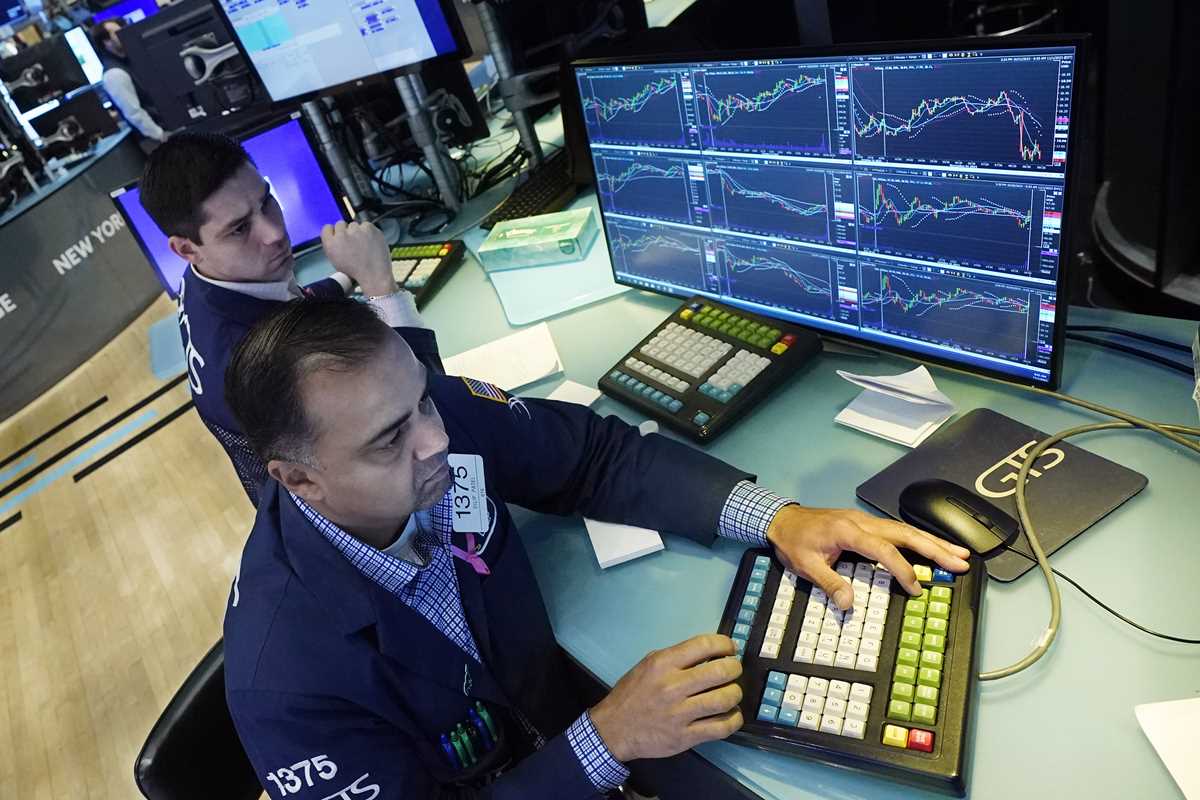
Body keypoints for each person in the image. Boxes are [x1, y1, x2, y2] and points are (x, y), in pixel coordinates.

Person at [222, 297, 971, 799]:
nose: (438, 439)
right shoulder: (284, 685)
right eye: (390, 440)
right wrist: (603, 740)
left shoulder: (429, 416)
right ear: (298, 479)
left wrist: (778, 518)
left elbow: (593, 457)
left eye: (421, 398)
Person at [139, 132, 441, 504]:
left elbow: (286, 306)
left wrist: (346, 276)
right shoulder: (268, 362)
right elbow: (424, 406)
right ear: (186, 249)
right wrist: (380, 285)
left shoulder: (204, 281)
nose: (275, 233)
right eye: (239, 229)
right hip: (371, 505)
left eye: (267, 201)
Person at [89, 17, 168, 147]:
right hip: (155, 139)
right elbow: (134, 113)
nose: (124, 34)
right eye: (117, 33)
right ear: (106, 42)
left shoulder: (131, 60)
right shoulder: (114, 74)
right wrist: (160, 134)